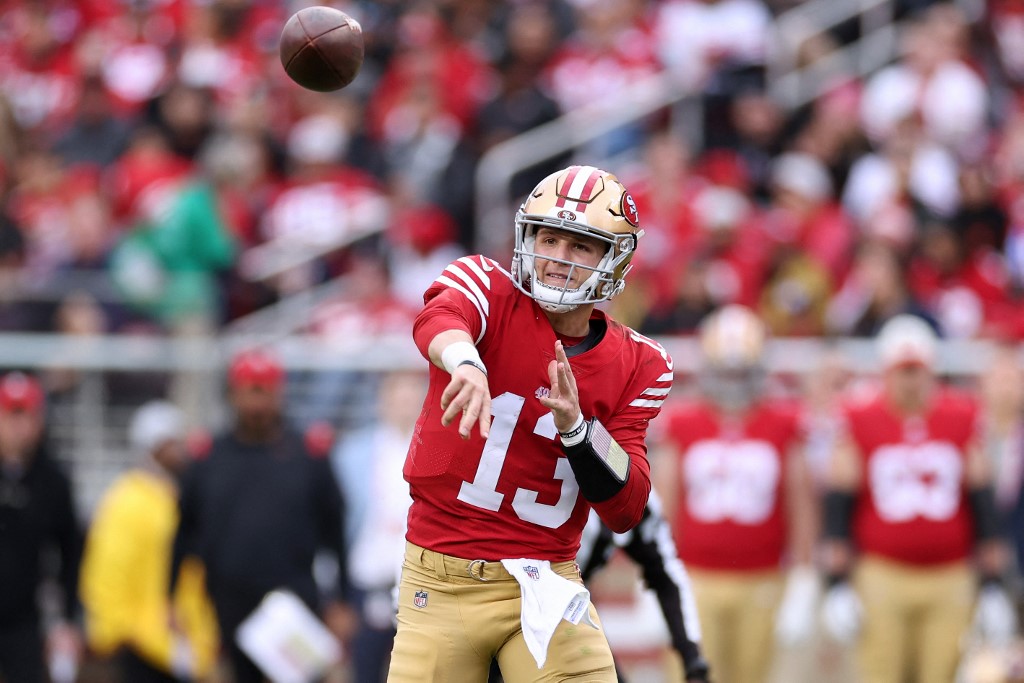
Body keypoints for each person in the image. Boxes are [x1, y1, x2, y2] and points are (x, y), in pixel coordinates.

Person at [387, 165, 675, 682]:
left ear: (614, 259)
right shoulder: (487, 289)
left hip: (545, 584)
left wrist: (580, 432)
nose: (557, 259)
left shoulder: (641, 364)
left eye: (580, 246)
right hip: (441, 576)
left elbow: (627, 504)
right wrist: (467, 363)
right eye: (548, 238)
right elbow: (439, 317)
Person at [820, 314, 1017, 683]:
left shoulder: (960, 415)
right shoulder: (860, 417)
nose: (910, 381)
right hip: (882, 573)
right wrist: (836, 583)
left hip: (950, 574)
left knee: (942, 673)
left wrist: (992, 583)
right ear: (886, 372)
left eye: (917, 371)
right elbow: (838, 503)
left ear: (931, 371)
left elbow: (982, 500)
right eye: (902, 371)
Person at [653, 304, 817, 683]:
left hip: (762, 577)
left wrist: (805, 575)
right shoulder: (684, 420)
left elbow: (800, 502)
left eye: (740, 370)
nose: (732, 380)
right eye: (725, 370)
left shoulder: (782, 421)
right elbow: (665, 501)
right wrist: (656, 572)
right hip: (695, 578)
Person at [171, 349, 354, 683]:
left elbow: (336, 529)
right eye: (249, 391)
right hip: (226, 605)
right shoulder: (209, 457)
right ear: (232, 395)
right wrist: (170, 598)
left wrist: (341, 598)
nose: (256, 404)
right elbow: (183, 532)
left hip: (293, 603)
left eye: (264, 391)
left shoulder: (308, 455)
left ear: (278, 393)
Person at [79, 400, 219, 683]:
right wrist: (116, 625)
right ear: (152, 447)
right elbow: (110, 567)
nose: (180, 450)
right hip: (141, 638)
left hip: (178, 633)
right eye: (171, 442)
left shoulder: (175, 495)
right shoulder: (129, 500)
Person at [330, 369, 424, 683]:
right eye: (398, 397)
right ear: (383, 402)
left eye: (412, 397)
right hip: (367, 579)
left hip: (418, 580)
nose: (404, 405)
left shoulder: (435, 450)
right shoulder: (353, 453)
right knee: (365, 668)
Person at [0, 371, 84, 683]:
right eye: (12, 414)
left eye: (27, 415)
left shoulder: (52, 481)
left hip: (23, 616)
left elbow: (71, 553)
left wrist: (66, 621)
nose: (19, 426)